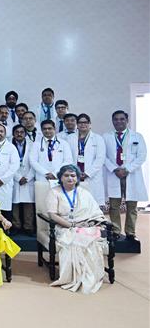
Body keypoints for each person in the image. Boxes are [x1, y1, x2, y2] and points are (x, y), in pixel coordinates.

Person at [47, 165, 109, 293]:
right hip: (64, 227)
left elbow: (95, 212)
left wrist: (88, 224)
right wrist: (72, 226)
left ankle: (89, 275)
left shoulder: (84, 193)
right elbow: (52, 215)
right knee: (74, 240)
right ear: (61, 178)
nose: (70, 178)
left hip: (85, 225)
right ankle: (74, 277)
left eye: (73, 175)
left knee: (90, 240)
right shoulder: (54, 192)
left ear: (77, 178)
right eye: (66, 175)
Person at [103, 110, 147, 241]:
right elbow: (103, 156)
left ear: (127, 121)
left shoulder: (137, 136)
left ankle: (130, 232)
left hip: (131, 174)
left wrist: (127, 169)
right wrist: (115, 169)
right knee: (114, 205)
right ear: (112, 121)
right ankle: (116, 231)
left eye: (122, 119)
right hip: (114, 175)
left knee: (132, 206)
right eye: (116, 119)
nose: (119, 121)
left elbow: (142, 156)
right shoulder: (106, 137)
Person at [67, 114, 106, 204]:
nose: (82, 124)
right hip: (75, 174)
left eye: (85, 122)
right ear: (77, 124)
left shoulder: (98, 138)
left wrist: (88, 173)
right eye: (80, 122)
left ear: (90, 124)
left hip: (92, 176)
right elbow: (68, 157)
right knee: (77, 203)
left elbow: (100, 159)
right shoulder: (70, 138)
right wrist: (74, 172)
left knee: (92, 204)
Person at [29, 120, 74, 192]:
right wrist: (46, 173)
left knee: (60, 200)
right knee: (42, 201)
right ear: (41, 130)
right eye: (44, 129)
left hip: (59, 176)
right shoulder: (36, 144)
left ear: (54, 129)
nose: (47, 131)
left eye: (49, 128)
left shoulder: (64, 143)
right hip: (42, 177)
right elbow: (33, 161)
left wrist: (54, 173)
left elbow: (68, 161)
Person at [0, 124, 20, 222]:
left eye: (1, 131)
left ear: (5, 133)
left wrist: (3, 179)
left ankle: (6, 231)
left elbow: (15, 165)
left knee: (5, 208)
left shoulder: (11, 147)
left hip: (5, 183)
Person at [11, 124, 36, 235]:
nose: (19, 134)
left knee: (28, 204)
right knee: (14, 203)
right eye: (17, 132)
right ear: (13, 134)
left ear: (25, 134)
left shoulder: (32, 145)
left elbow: (35, 162)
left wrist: (28, 177)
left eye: (22, 132)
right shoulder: (9, 146)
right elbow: (8, 164)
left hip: (28, 178)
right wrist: (18, 177)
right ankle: (16, 225)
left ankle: (28, 226)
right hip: (14, 177)